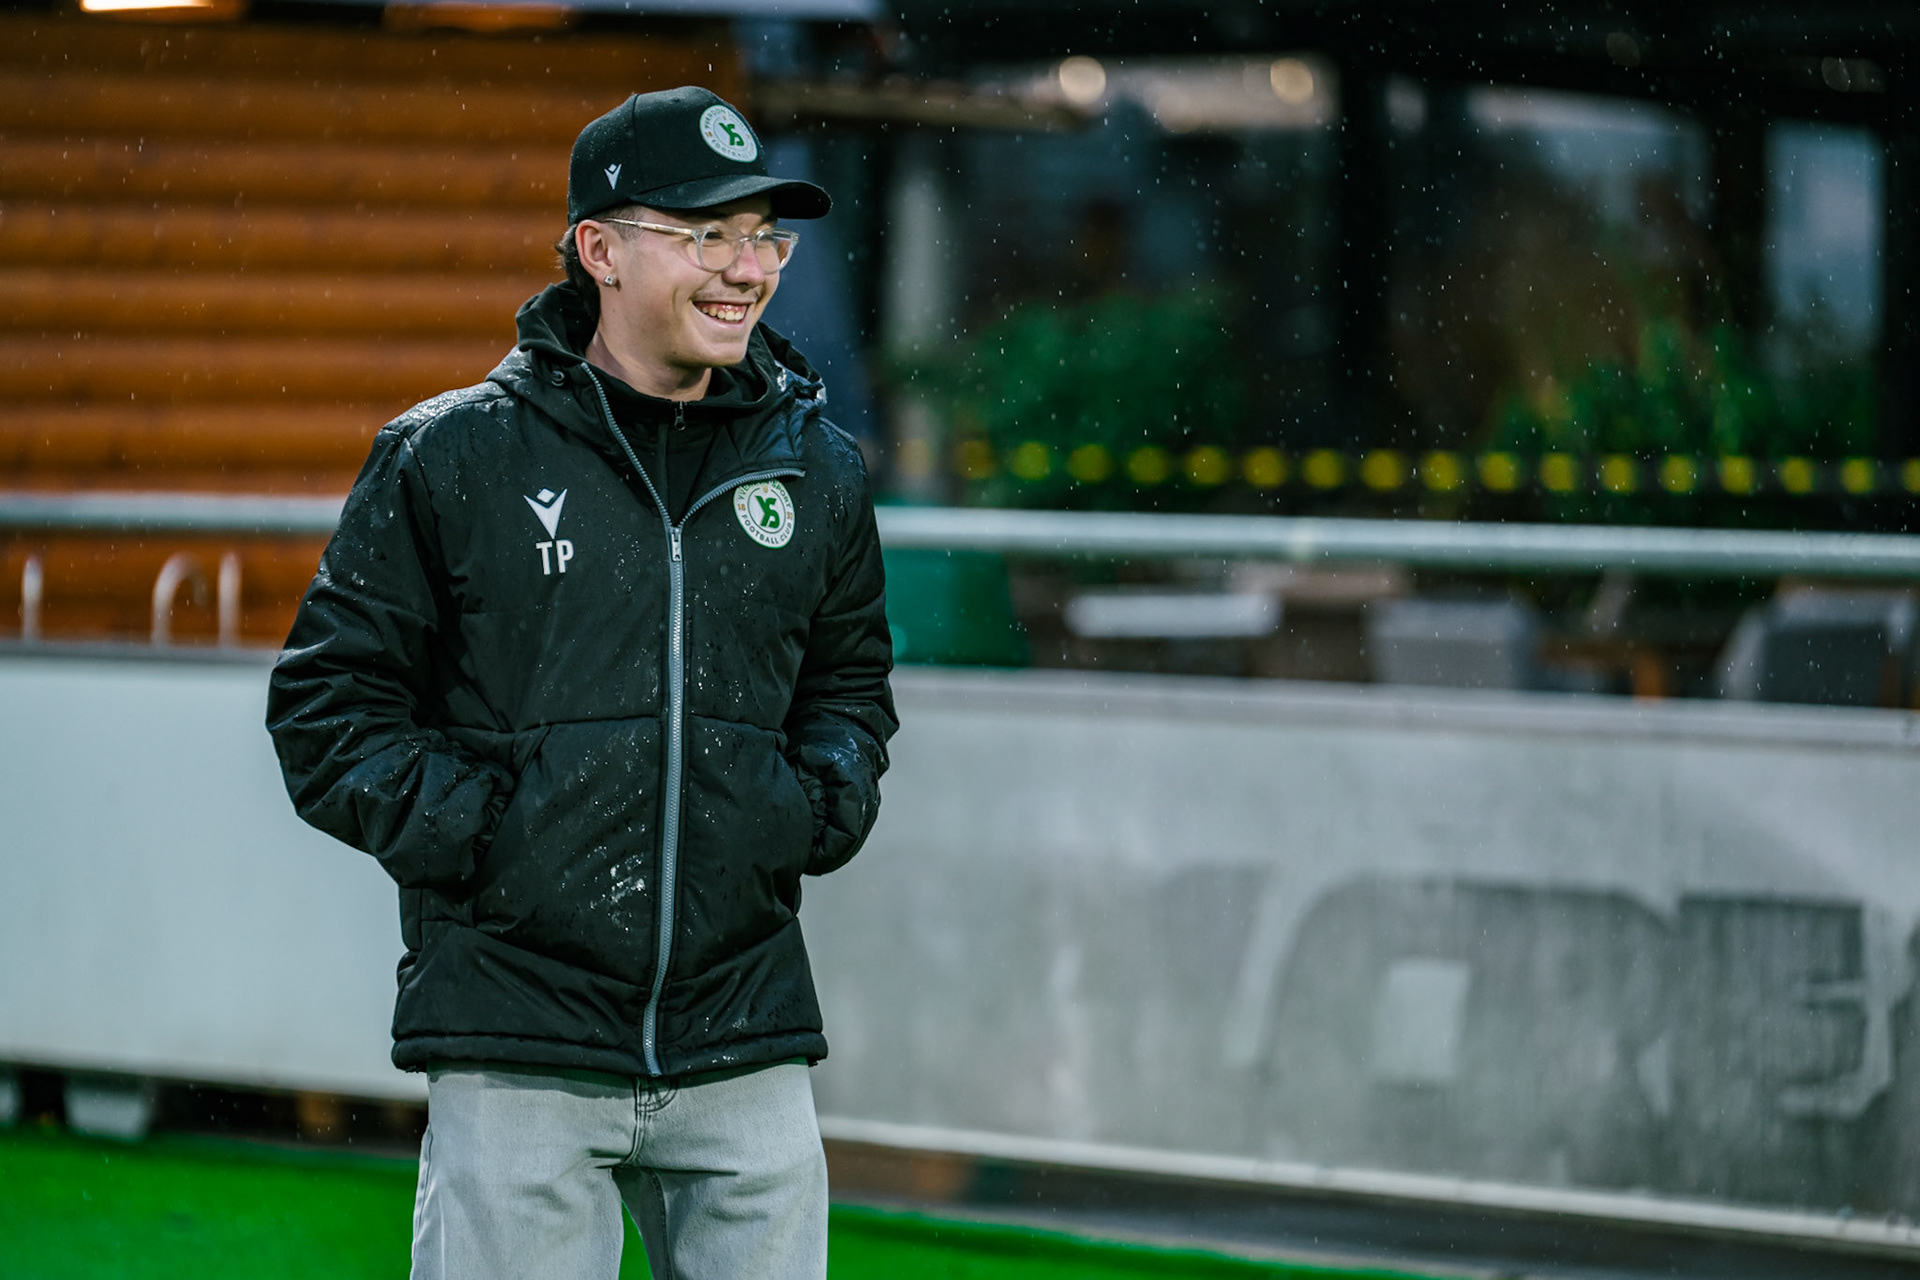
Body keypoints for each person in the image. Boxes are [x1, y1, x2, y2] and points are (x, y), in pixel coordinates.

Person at [265, 86, 896, 1280]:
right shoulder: (451, 455)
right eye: (704, 234)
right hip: (518, 1031)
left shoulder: (817, 468)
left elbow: (850, 685)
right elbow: (326, 709)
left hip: (745, 1029)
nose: (746, 268)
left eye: (761, 235)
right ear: (600, 251)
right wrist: (500, 836)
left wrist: (807, 805)